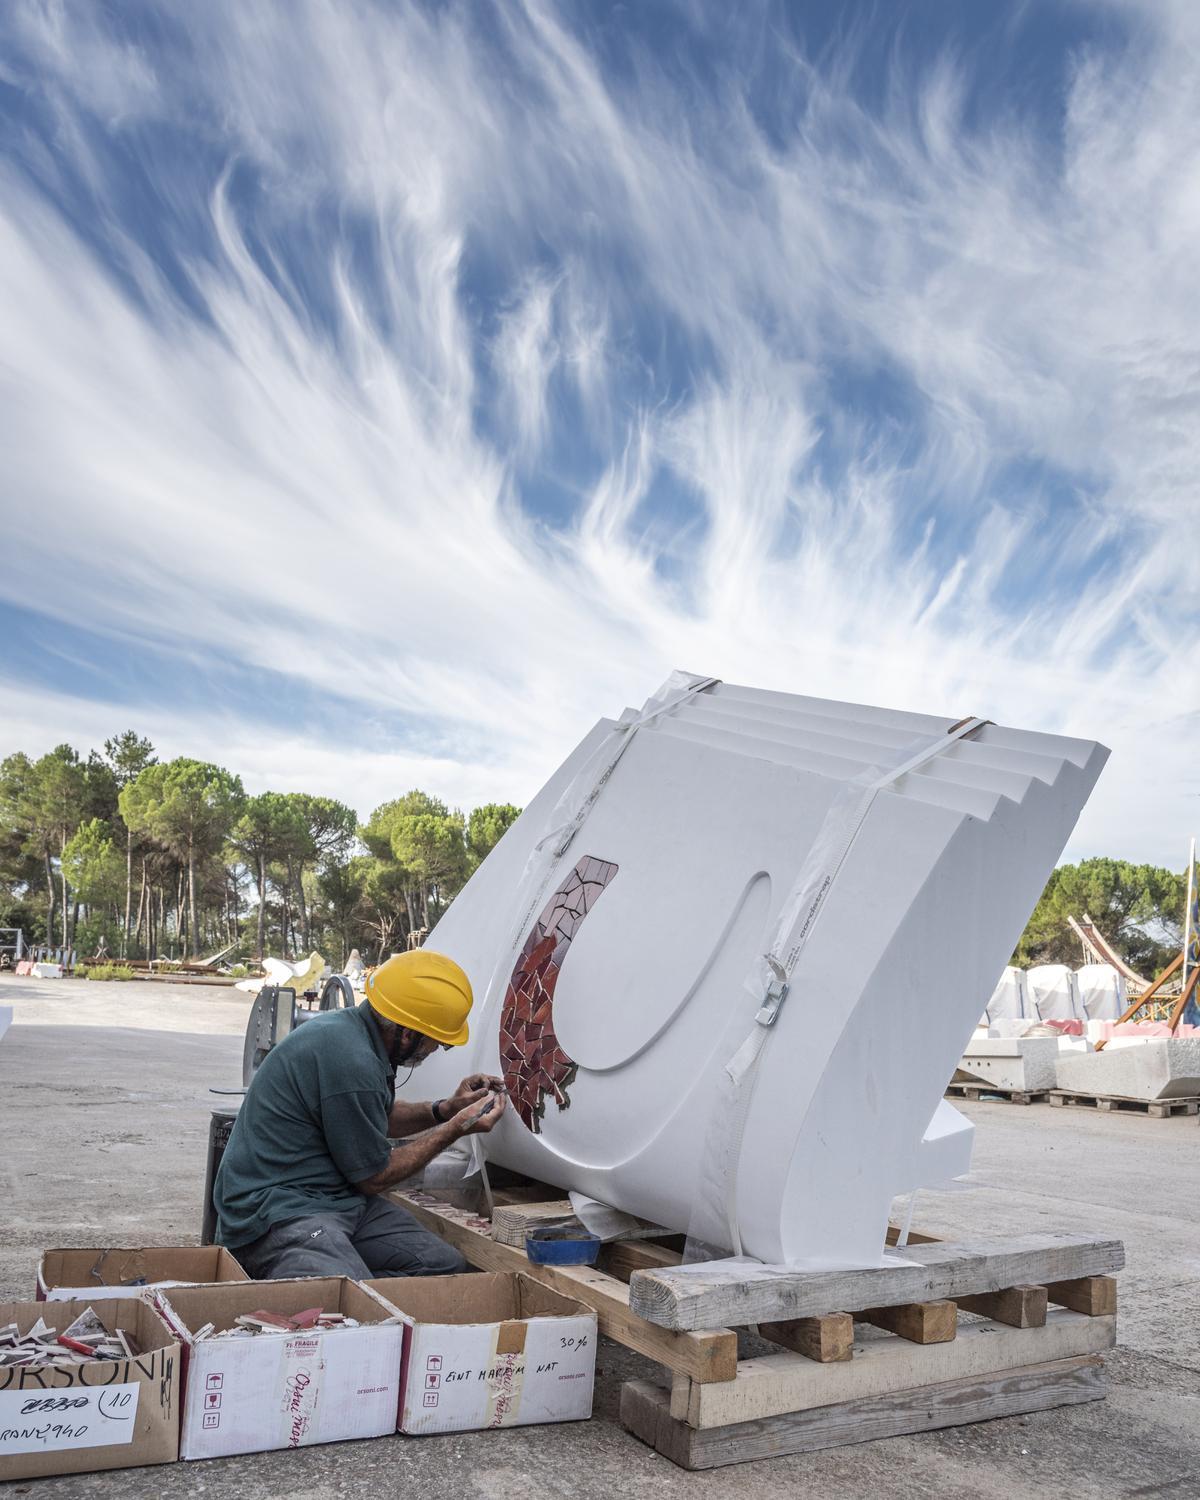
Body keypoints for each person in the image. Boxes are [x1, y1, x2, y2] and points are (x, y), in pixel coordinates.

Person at [214, 949, 505, 1279]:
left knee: (441, 1264)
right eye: (436, 1042)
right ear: (407, 1033)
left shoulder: (356, 1034)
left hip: (335, 1200)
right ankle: (302, 1285)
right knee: (351, 1298)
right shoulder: (351, 1058)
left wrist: (444, 1110)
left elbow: (373, 1117)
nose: (435, 1050)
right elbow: (374, 1176)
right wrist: (456, 1128)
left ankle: (323, 1284)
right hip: (276, 1208)